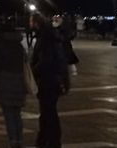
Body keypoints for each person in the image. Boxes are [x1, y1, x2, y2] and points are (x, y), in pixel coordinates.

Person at [30, 13, 69, 148]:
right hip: (54, 79)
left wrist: (33, 71)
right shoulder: (51, 37)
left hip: (48, 80)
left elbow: (45, 61)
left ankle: (51, 140)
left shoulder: (45, 39)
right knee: (48, 111)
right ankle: (46, 139)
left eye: (31, 20)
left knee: (48, 112)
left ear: (36, 23)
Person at [0, 20, 29, 148]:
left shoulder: (0, 44)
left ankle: (13, 142)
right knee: (17, 114)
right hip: (19, 81)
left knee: (9, 114)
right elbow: (26, 61)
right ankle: (19, 140)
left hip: (5, 81)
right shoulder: (19, 45)